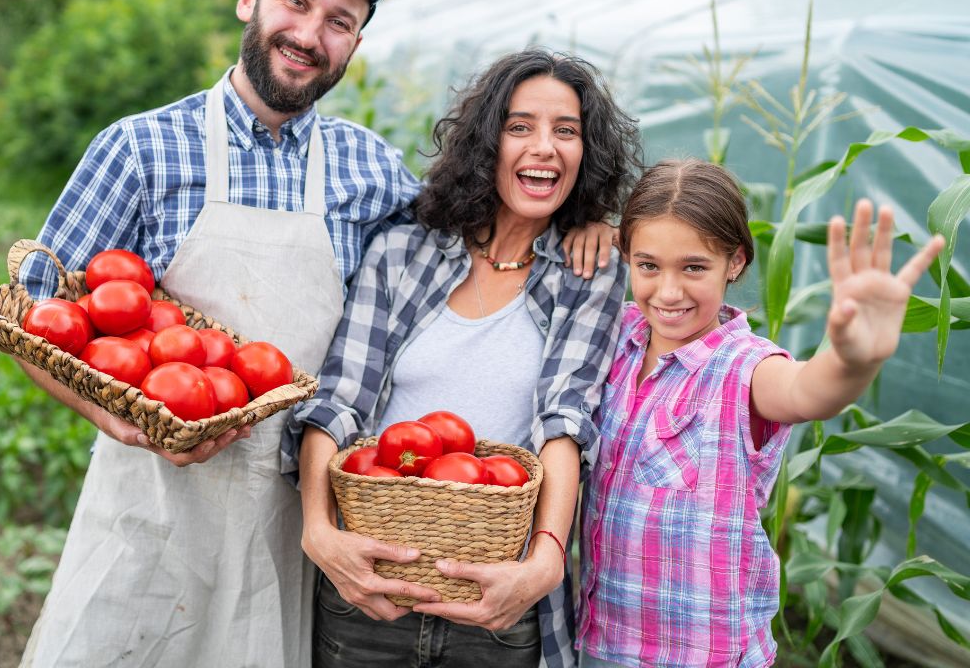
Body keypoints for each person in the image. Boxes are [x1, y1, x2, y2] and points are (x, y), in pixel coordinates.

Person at [14, 0, 423, 668]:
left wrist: (579, 212)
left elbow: (464, 248)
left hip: (291, 514)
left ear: (355, 44)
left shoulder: (371, 167)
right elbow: (35, 316)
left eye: (339, 22)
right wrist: (114, 414)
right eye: (294, 3)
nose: (309, 35)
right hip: (153, 502)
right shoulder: (139, 149)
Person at [285, 48, 645, 668]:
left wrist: (547, 558)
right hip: (370, 589)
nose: (544, 148)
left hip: (497, 599)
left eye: (567, 131)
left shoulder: (590, 272)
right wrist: (319, 529)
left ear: (587, 154)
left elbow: (566, 417)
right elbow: (340, 399)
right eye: (519, 126)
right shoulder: (404, 252)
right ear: (487, 142)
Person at [575, 159, 947, 668]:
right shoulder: (614, 340)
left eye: (694, 267)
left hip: (702, 656)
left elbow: (806, 391)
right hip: (598, 642)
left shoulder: (744, 368)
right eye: (648, 266)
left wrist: (852, 359)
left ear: (736, 262)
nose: (667, 291)